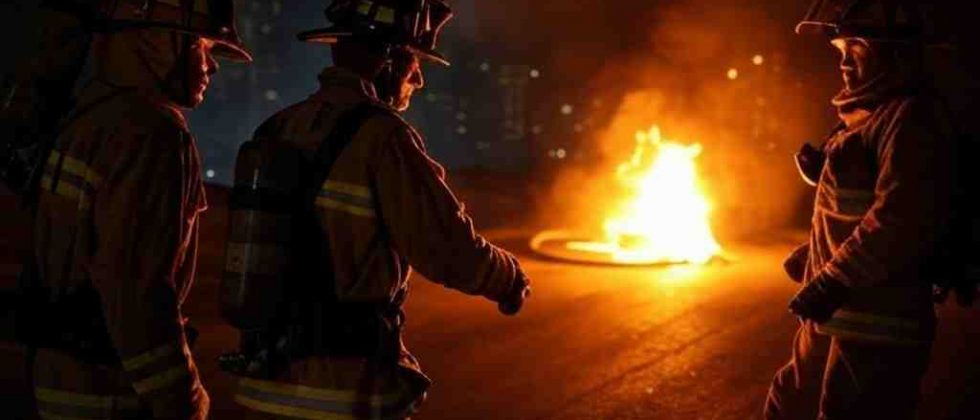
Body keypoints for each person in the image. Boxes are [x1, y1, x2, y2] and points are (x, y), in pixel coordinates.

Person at [222, 1, 531, 419]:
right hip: (342, 393)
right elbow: (446, 248)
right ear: (388, 60)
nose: (418, 79)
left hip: (262, 389)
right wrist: (508, 278)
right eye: (413, 63)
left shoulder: (278, 127)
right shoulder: (384, 138)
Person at [24, 0, 251, 418]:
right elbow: (137, 288)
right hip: (118, 393)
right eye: (200, 45)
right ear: (157, 42)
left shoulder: (90, 118)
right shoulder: (153, 133)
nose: (212, 65)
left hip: (61, 385)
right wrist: (183, 402)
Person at [765, 1, 958, 419]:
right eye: (840, 52)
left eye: (857, 50)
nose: (844, 64)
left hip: (878, 326)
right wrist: (815, 248)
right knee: (790, 401)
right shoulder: (872, 117)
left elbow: (900, 219)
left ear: (893, 56)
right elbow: (859, 205)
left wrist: (831, 279)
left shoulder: (911, 120)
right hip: (836, 316)